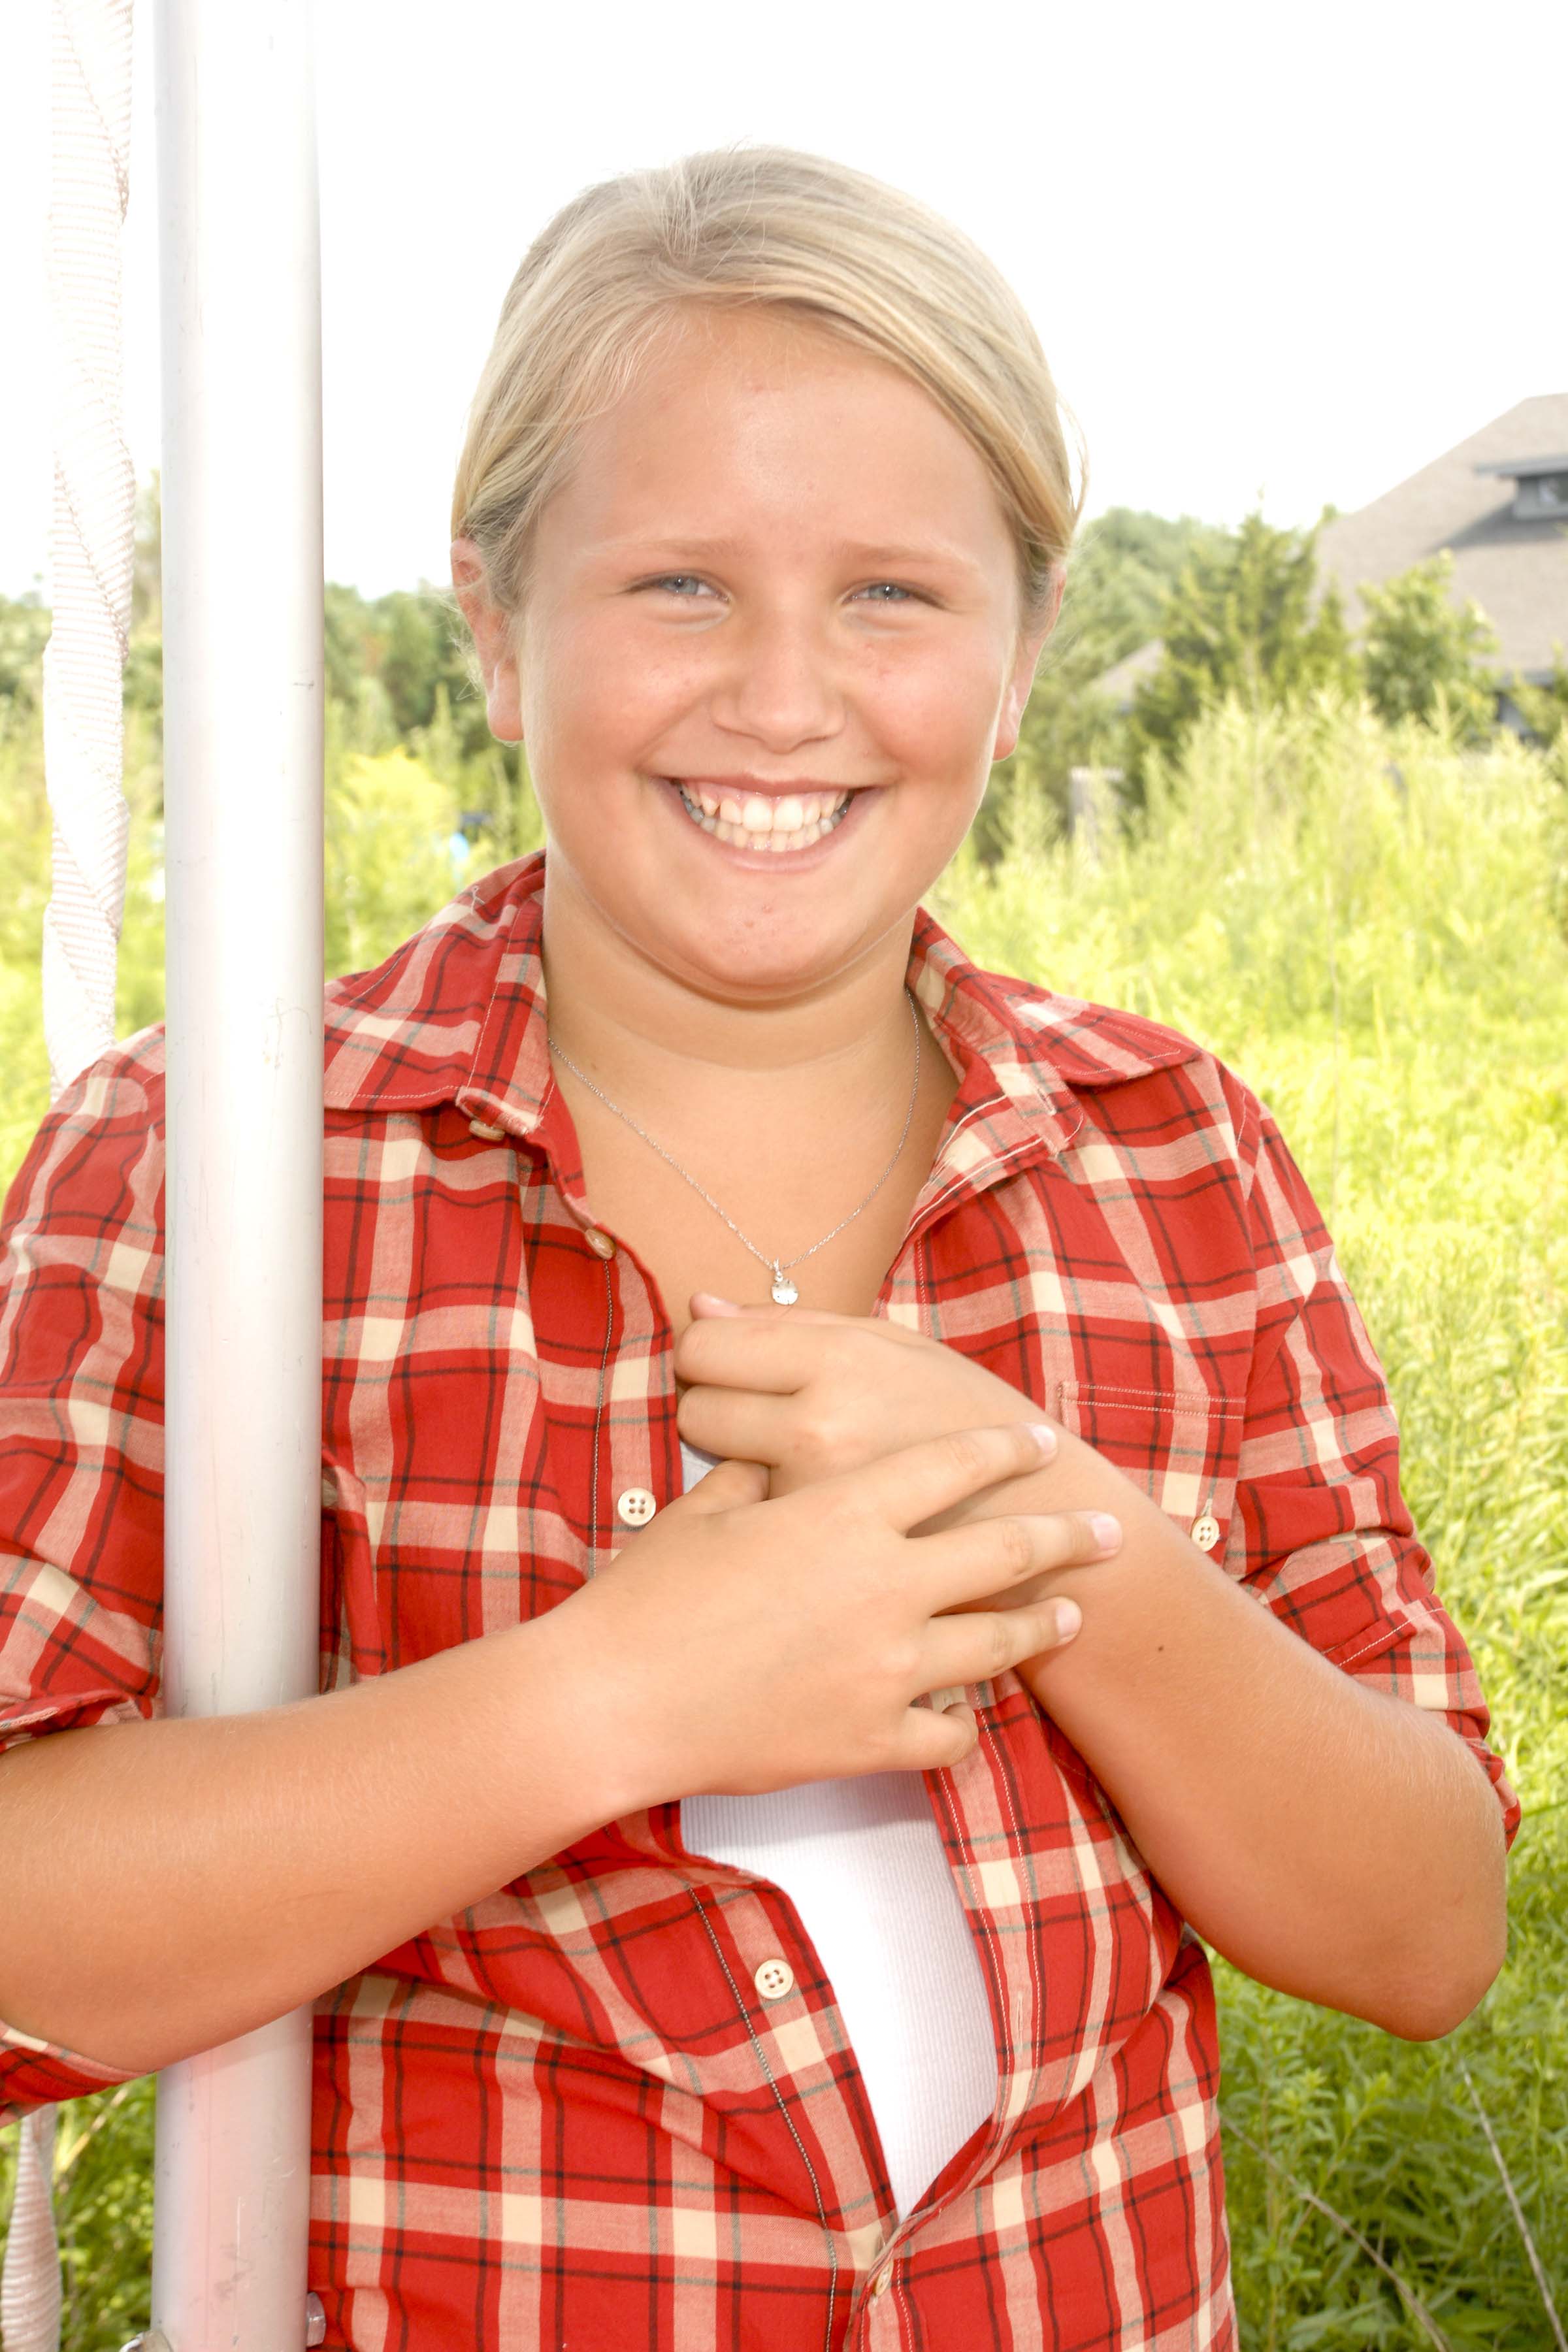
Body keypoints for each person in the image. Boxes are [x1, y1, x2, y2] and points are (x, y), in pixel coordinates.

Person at [0, 145, 1516, 2350]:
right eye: (681, 588)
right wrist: (616, 1697)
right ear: (495, 632)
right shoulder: (218, 1166)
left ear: (1024, 658)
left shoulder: (1168, 1153)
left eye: (895, 595)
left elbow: (1425, 1930)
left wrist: (1053, 1532)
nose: (787, 698)